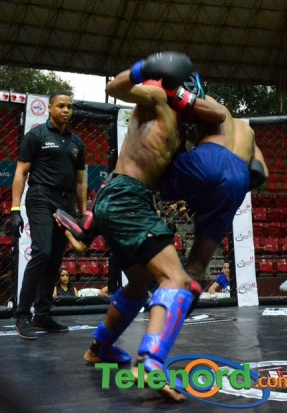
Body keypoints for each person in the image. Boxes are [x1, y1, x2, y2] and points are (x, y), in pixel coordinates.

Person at [68, 52, 200, 402]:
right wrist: (144, 68)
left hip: (125, 199)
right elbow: (115, 88)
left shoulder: (181, 132)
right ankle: (151, 362)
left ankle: (99, 347)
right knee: (175, 279)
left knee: (139, 284)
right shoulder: (157, 99)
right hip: (126, 197)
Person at [156, 74, 268, 298]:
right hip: (238, 180)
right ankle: (176, 308)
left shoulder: (212, 105)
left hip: (210, 159)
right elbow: (261, 172)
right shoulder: (247, 131)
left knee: (148, 176)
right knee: (196, 266)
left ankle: (101, 216)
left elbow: (209, 111)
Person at [10, 89, 87, 339]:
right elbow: (21, 172)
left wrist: (83, 213)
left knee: (54, 260)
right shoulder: (36, 135)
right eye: (61, 106)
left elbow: (80, 180)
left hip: (66, 203)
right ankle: (22, 314)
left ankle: (42, 315)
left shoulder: (77, 143)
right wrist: (15, 209)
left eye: (69, 106)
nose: (66, 110)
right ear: (50, 108)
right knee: (42, 252)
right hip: (40, 197)